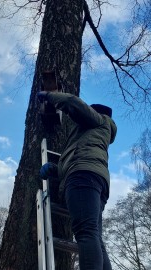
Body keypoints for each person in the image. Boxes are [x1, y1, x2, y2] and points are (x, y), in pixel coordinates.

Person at [38, 90, 117, 270]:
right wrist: (57, 170)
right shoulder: (95, 136)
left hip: (83, 177)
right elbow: (79, 155)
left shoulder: (98, 120)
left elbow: (72, 102)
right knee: (94, 236)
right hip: (95, 180)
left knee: (86, 232)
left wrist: (49, 95)